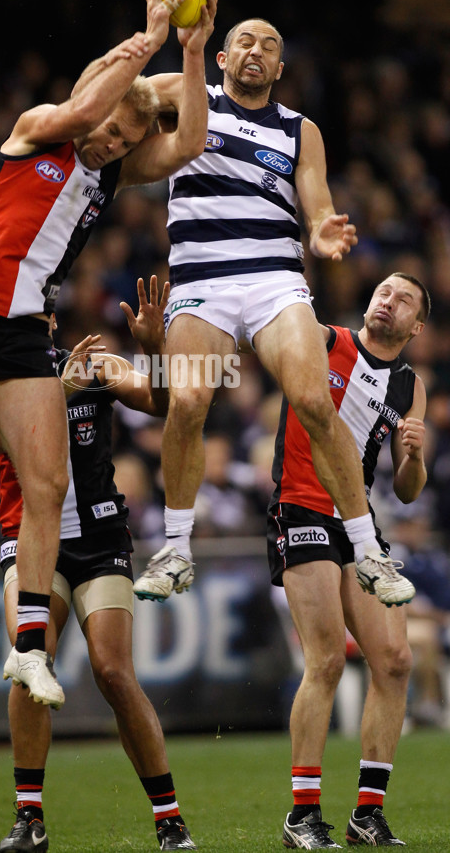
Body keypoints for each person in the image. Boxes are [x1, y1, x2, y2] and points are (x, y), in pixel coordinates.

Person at [0, 0, 217, 711]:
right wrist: (150, 34)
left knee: (47, 484)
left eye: (126, 139)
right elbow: (91, 101)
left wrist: (192, 52)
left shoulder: (105, 174)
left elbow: (188, 141)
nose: (113, 144)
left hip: (28, 331)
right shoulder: (37, 129)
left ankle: (29, 647)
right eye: (111, 133)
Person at [133, 18, 416, 610]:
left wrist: (323, 234)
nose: (256, 51)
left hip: (273, 279)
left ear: (280, 69)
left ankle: (367, 552)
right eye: (244, 41)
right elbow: (123, 99)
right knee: (186, 400)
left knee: (314, 401)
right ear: (222, 55)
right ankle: (177, 548)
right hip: (201, 279)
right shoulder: (187, 96)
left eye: (270, 47)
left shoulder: (298, 130)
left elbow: (317, 209)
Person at [0, 276, 196, 853]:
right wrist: (56, 391)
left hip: (99, 539)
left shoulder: (96, 363)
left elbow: (166, 402)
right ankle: (29, 819)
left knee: (115, 672)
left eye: (41, 315)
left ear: (49, 320)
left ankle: (169, 819)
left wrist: (153, 347)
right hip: (30, 544)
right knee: (29, 659)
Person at [266, 272, 429, 848]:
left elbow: (408, 490)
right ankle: (302, 815)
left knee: (396, 660)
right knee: (328, 660)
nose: (389, 299)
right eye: (383, 290)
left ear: (417, 325)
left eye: (404, 298)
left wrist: (413, 457)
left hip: (358, 522)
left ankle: (368, 812)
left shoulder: (410, 386)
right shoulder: (321, 340)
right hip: (302, 507)